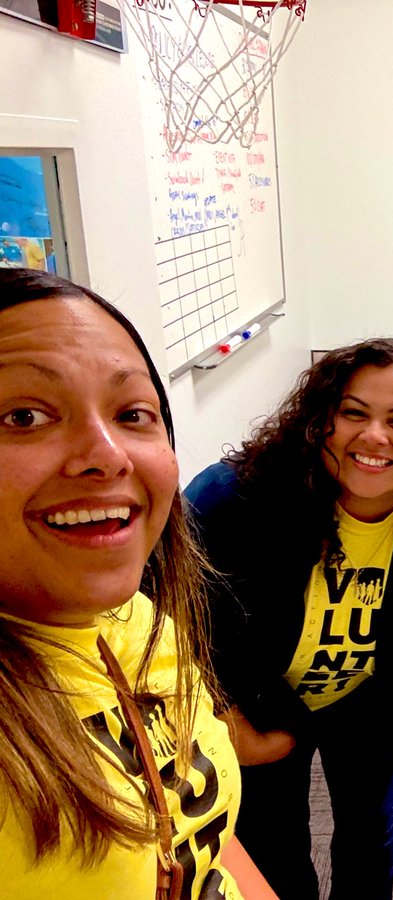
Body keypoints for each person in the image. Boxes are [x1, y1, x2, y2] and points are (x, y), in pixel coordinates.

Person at [184, 339, 393, 900]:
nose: (373, 437)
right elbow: (165, 618)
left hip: (368, 701)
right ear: (321, 420)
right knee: (271, 841)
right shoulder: (235, 498)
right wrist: (225, 719)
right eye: (353, 413)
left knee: (369, 836)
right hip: (256, 705)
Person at [0, 268, 273, 898]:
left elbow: (200, 838)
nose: (107, 454)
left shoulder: (138, 619)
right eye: (23, 415)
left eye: (133, 413)